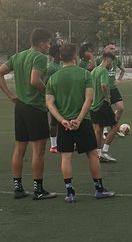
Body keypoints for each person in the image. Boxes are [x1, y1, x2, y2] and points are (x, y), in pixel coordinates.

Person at [0, 27, 57, 200]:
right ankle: (38, 189)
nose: (49, 47)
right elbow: (35, 80)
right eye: (49, 43)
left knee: (20, 147)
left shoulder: (19, 55)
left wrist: (10, 95)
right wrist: (48, 93)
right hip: (35, 107)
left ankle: (18, 187)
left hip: (20, 106)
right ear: (42, 43)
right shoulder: (40, 57)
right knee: (38, 150)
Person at [45, 43, 115, 202]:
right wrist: (79, 119)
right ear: (75, 56)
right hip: (82, 122)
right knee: (92, 154)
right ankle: (99, 189)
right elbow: (89, 99)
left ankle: (70, 193)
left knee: (66, 157)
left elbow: (49, 103)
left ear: (61, 57)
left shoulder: (53, 78)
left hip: (65, 125)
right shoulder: (84, 74)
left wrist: (62, 120)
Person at [98, 44, 124, 162]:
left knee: (121, 108)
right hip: (103, 91)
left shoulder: (116, 60)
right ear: (105, 50)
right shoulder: (100, 62)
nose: (114, 50)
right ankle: (108, 130)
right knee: (99, 124)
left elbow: (122, 70)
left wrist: (119, 79)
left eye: (114, 48)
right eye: (111, 48)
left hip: (112, 88)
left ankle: (113, 127)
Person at [90, 52, 117, 156]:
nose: (112, 65)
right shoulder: (103, 71)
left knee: (98, 129)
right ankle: (105, 151)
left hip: (93, 105)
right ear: (107, 60)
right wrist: (107, 98)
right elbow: (104, 85)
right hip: (102, 103)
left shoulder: (94, 70)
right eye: (112, 62)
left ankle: (98, 152)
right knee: (115, 127)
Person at [46, 42, 63, 154]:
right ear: (57, 54)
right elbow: (46, 82)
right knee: (54, 121)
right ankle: (53, 145)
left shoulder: (60, 66)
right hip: (54, 97)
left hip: (61, 96)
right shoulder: (51, 67)